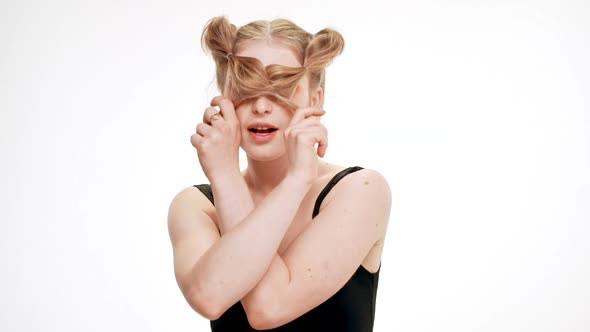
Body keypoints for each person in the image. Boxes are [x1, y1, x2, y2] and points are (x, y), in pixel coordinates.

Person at [167, 16, 392, 331]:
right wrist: (226, 175)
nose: (261, 105)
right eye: (247, 87)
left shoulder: (361, 189)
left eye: (281, 88)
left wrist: (297, 179)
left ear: (315, 99)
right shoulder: (196, 205)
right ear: (224, 97)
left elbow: (268, 308)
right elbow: (210, 297)